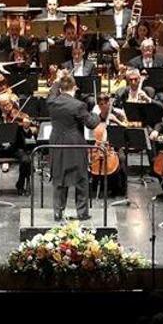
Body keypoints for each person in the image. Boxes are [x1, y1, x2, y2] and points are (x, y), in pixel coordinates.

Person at [47, 72, 99, 221]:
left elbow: (51, 92)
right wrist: (95, 113)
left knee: (58, 177)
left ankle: (58, 212)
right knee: (81, 178)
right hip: (74, 143)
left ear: (61, 88)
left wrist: (57, 81)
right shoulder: (78, 105)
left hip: (56, 141)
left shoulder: (51, 102)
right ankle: (82, 213)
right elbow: (92, 124)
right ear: (74, 88)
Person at [0, 93, 33, 196]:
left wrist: (26, 127)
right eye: (4, 105)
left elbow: (29, 135)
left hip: (15, 148)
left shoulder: (19, 115)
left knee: (26, 161)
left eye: (8, 104)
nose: (7, 107)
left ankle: (20, 184)